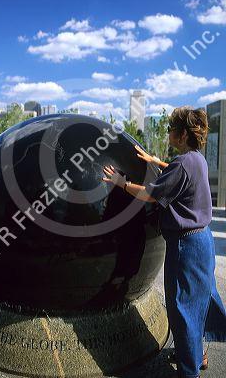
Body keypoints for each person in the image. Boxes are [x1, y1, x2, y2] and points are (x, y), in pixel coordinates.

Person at [102, 106, 226, 378]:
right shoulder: (197, 160)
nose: (168, 131)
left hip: (186, 246)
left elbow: (150, 194)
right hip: (203, 241)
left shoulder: (183, 164)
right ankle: (198, 355)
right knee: (200, 300)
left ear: (182, 135)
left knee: (183, 307)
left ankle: (188, 371)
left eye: (171, 128)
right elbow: (179, 172)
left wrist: (121, 182)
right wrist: (155, 161)